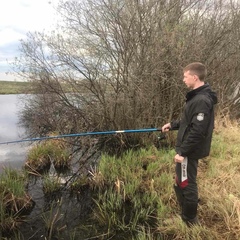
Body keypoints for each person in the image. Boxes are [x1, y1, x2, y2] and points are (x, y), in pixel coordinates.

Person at [161, 62, 217, 226]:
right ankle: (184, 213)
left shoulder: (201, 100)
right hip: (186, 149)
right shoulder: (196, 97)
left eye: (185, 76)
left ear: (195, 77)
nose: (183, 79)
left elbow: (198, 131)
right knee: (181, 180)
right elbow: (189, 122)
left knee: (187, 183)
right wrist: (172, 125)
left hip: (189, 150)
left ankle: (190, 220)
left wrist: (182, 152)